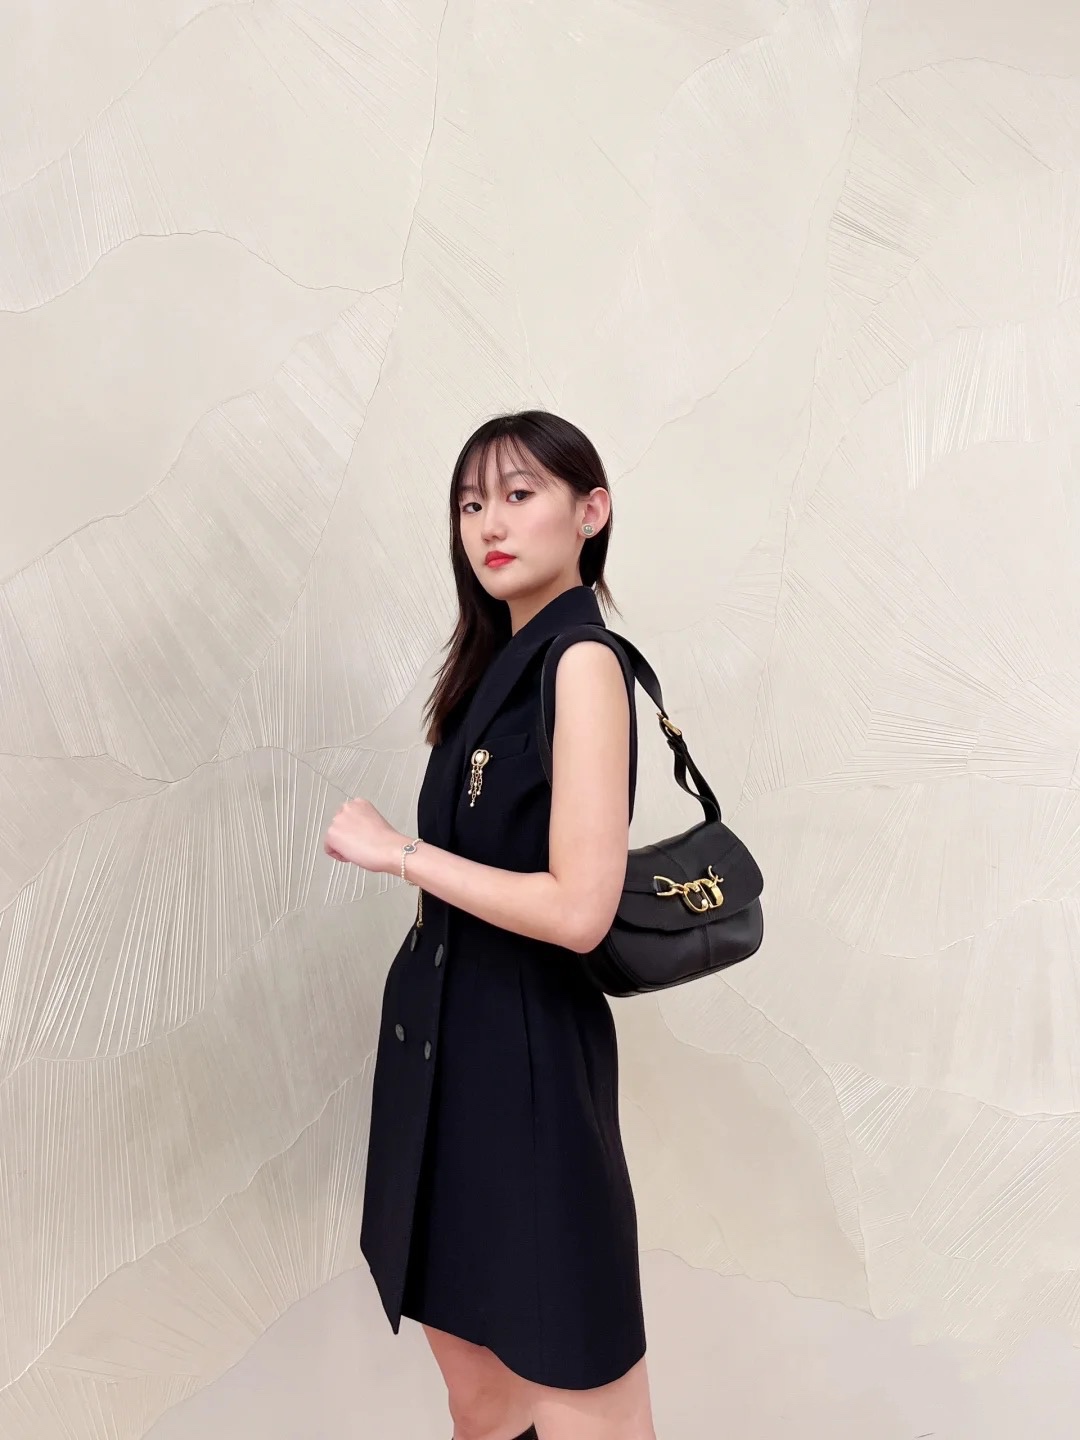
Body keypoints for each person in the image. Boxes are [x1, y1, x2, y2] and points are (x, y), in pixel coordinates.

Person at [324, 411, 657, 1440]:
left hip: (528, 1069)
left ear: (590, 512)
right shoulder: (488, 672)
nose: (490, 525)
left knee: (585, 1399)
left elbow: (579, 909)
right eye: (471, 505)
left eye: (519, 495)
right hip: (447, 1065)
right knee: (482, 1397)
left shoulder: (582, 661)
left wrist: (401, 853)